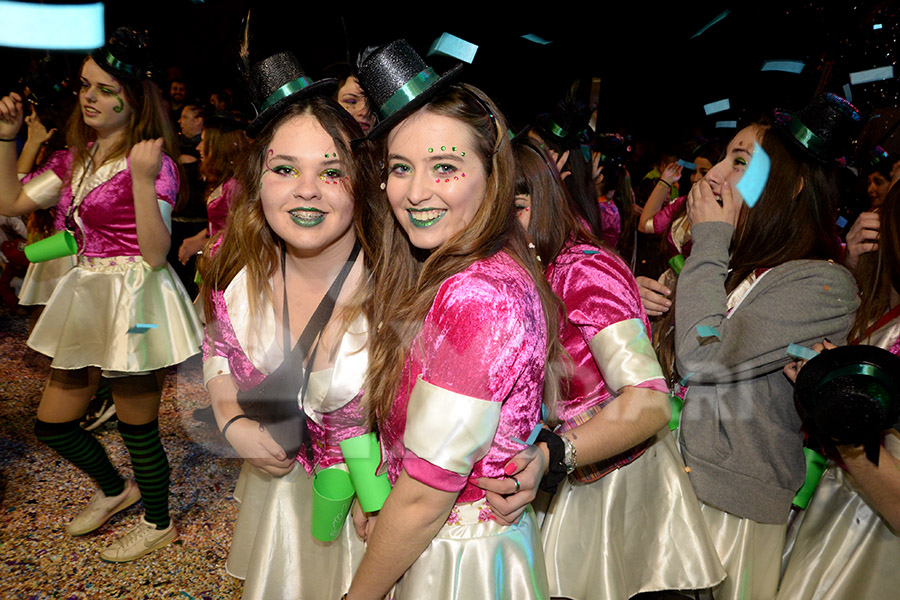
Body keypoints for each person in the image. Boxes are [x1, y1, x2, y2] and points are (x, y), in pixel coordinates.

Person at [346, 40, 563, 600]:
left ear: (491, 177)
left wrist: (357, 595)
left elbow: (427, 493)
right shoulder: (451, 269)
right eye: (400, 168)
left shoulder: (478, 295)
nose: (415, 193)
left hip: (456, 561)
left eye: (444, 167)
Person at [481, 137, 725, 599]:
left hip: (613, 485)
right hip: (550, 477)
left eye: (515, 208)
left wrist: (556, 453)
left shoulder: (583, 271)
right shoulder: (513, 273)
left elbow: (648, 401)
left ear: (546, 201)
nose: (501, 227)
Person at [0, 27, 202, 562]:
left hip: (138, 299)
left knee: (139, 426)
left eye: (104, 88)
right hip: (90, 291)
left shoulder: (152, 161)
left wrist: (140, 178)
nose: (88, 96)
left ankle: (159, 522)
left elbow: (157, 254)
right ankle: (117, 489)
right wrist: (7, 138)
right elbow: (11, 200)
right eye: (85, 85)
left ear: (132, 98)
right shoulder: (75, 160)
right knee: (52, 423)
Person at [654, 94, 861, 599]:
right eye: (723, 156)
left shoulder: (823, 284)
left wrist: (708, 243)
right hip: (672, 488)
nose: (714, 174)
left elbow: (704, 359)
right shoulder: (733, 266)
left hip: (731, 515)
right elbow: (673, 372)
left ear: (787, 185)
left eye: (739, 161)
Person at [200, 51, 375, 599]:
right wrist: (231, 420)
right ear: (259, 180)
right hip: (280, 504)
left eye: (332, 172)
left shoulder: (404, 293)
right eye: (285, 169)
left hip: (375, 525)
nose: (306, 190)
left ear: (364, 183)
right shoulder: (239, 271)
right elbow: (218, 350)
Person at [777, 181, 900, 600]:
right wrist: (852, 267)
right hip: (837, 508)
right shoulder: (883, 304)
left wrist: (838, 404)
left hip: (869, 539)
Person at [177, 112, 249, 266]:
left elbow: (238, 237)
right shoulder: (225, 181)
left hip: (230, 266)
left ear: (219, 147)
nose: (198, 147)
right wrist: (199, 237)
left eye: (204, 142)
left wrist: (201, 244)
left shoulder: (235, 187)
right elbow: (220, 222)